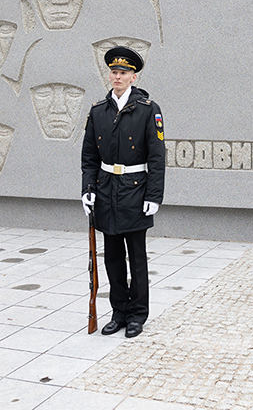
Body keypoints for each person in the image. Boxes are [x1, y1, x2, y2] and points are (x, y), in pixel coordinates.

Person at [81, 45, 165, 338]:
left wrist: (154, 195)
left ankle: (137, 315)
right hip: (106, 191)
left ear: (134, 77)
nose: (117, 76)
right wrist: (88, 189)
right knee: (112, 258)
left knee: (137, 258)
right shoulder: (98, 111)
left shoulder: (148, 110)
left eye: (123, 72)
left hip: (135, 191)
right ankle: (118, 311)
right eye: (114, 72)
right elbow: (89, 155)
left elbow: (156, 156)